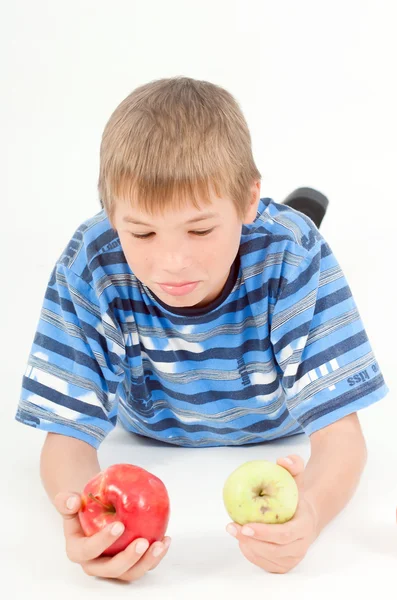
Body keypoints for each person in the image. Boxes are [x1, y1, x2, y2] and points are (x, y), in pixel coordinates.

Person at [16, 77, 388, 581]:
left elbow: (342, 439)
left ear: (249, 198)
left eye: (201, 229)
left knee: (288, 235)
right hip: (152, 426)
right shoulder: (92, 261)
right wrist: (89, 522)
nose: (172, 262)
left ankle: (288, 213)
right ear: (110, 216)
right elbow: (66, 438)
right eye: (142, 231)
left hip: (278, 419)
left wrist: (313, 511)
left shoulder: (292, 253)